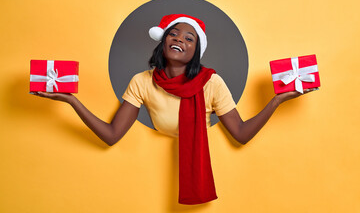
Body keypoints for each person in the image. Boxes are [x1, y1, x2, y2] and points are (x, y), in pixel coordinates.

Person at [33, 14, 316, 205]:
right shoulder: (141, 82)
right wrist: (71, 100)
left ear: (195, 51)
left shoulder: (211, 83)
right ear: (163, 40)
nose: (180, 39)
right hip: (146, 185)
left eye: (189, 38)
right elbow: (111, 135)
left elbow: (240, 134)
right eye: (174, 34)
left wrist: (277, 101)